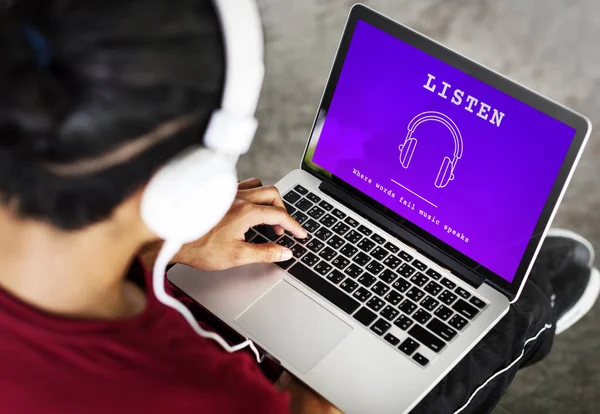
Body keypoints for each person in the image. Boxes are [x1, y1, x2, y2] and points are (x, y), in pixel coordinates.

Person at [0, 1, 597, 413]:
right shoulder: (214, 396)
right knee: (506, 311)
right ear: (192, 181)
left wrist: (168, 245)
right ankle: (535, 316)